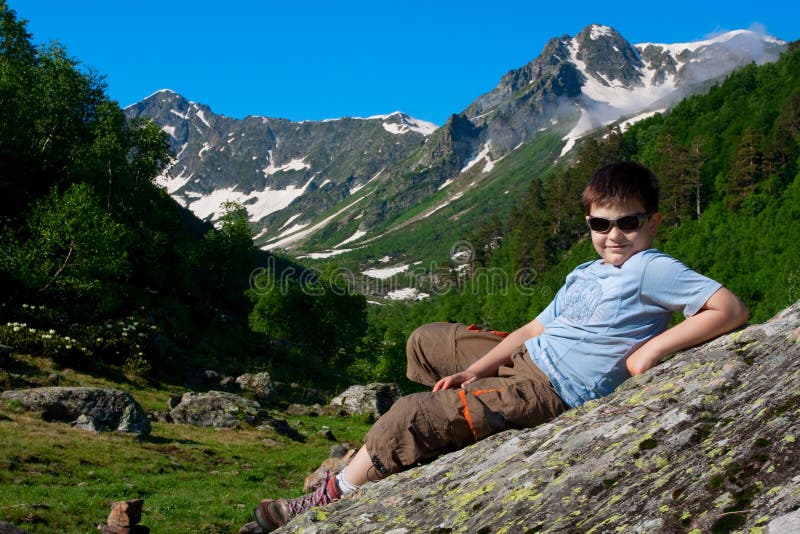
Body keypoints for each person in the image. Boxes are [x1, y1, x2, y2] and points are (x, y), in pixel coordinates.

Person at [242, 161, 748, 532]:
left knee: (409, 413)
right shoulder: (587, 270)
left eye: (628, 222)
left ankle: (334, 492)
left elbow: (729, 309)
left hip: (551, 390)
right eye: (600, 223)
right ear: (589, 223)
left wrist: (650, 352)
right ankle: (427, 428)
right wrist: (472, 371)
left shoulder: (651, 267)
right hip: (530, 356)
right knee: (427, 340)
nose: (614, 235)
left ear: (652, 222)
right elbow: (532, 328)